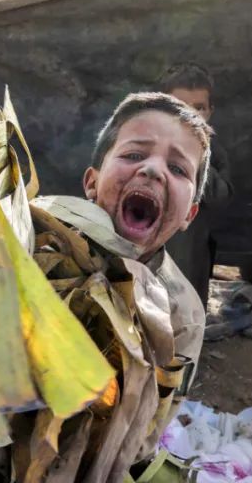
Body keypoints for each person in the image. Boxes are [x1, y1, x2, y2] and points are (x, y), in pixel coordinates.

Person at [47, 92, 210, 384]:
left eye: (177, 168)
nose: (152, 170)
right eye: (134, 155)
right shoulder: (38, 243)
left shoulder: (182, 317)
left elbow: (157, 414)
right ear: (92, 182)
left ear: (190, 214)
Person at [157, 63, 233, 307]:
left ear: (209, 112)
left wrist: (195, 156)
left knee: (186, 315)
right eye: (180, 107)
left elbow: (222, 198)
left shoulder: (214, 153)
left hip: (189, 256)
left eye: (198, 108)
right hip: (143, 247)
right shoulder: (142, 142)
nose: (190, 115)